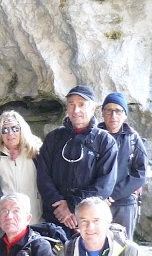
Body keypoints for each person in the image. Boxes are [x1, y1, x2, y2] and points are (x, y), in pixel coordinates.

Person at [37, 85, 118, 234]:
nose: (76, 110)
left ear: (93, 108)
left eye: (81, 104)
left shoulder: (105, 141)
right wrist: (60, 206)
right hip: (56, 215)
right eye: (71, 104)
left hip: (87, 220)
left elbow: (104, 184)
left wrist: (73, 206)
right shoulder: (54, 138)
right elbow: (43, 175)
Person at [0, 110, 44, 238]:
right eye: (4, 130)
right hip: (5, 221)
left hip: (33, 218)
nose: (10, 133)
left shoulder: (35, 152)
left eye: (15, 128)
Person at [97, 93, 148, 239]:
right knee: (96, 243)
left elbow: (141, 173)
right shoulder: (94, 136)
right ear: (102, 113)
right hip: (96, 202)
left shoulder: (133, 139)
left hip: (124, 203)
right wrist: (100, 196)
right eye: (109, 110)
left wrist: (112, 194)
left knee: (122, 246)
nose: (113, 115)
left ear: (125, 115)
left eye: (118, 111)